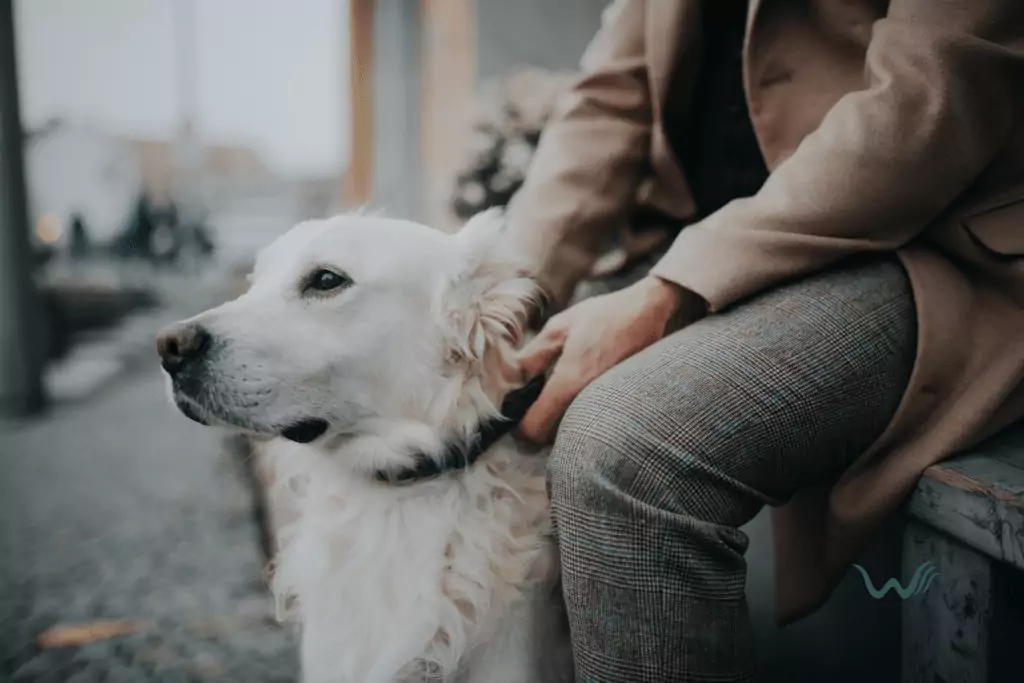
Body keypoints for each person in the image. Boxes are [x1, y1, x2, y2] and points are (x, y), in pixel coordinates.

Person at [506, 1, 1024, 680]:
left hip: (927, 248)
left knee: (623, 449)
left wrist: (667, 291)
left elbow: (925, 108)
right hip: (708, 237)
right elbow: (611, 97)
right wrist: (504, 294)